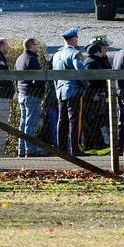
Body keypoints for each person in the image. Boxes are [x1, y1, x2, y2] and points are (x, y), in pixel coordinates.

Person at [52, 27, 86, 156]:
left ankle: (61, 148)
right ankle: (75, 148)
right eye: (76, 38)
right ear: (73, 39)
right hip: (73, 90)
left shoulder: (56, 54)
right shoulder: (75, 53)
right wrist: (86, 82)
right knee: (75, 120)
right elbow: (80, 70)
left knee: (62, 120)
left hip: (60, 90)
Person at [15, 38, 46, 157]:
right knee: (30, 124)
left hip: (22, 93)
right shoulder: (32, 59)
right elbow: (38, 78)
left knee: (23, 123)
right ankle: (30, 149)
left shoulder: (19, 59)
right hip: (32, 94)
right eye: (36, 45)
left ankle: (21, 149)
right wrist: (41, 92)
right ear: (31, 46)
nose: (37, 47)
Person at [82, 41, 111, 152]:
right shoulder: (91, 64)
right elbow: (89, 83)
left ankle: (98, 145)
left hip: (98, 97)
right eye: (101, 50)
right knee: (94, 123)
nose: (104, 51)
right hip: (93, 99)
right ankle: (96, 146)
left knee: (97, 122)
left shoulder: (97, 62)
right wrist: (94, 95)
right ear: (96, 52)